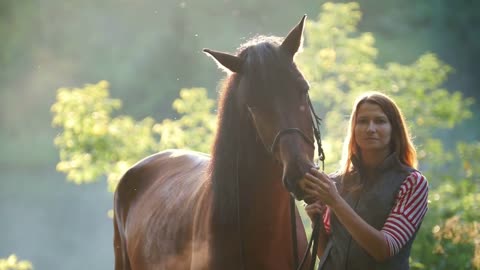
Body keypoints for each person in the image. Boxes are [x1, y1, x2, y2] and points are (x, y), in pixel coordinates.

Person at [303, 91, 429, 269]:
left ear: (395, 129)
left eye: (380, 121)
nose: (370, 128)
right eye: (362, 121)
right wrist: (316, 220)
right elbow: (327, 255)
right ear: (353, 129)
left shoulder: (412, 182)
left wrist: (336, 202)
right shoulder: (336, 182)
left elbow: (384, 249)